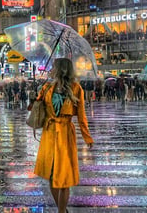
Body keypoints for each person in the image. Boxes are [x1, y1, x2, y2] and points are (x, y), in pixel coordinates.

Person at [33, 58, 94, 213]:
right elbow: (36, 106)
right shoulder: (46, 87)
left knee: (64, 178)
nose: (51, 69)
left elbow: (81, 116)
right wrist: (35, 98)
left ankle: (61, 212)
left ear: (61, 69)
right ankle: (63, 210)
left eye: (53, 67)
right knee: (52, 176)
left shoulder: (75, 88)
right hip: (49, 134)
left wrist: (87, 137)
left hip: (65, 135)